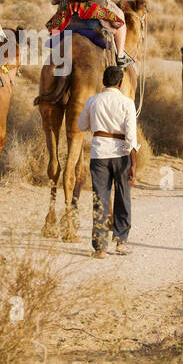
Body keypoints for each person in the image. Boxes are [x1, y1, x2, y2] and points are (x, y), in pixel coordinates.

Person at [76, 66, 138, 258]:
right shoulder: (127, 103)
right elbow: (131, 136)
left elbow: (81, 125)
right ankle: (121, 242)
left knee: (100, 199)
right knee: (123, 197)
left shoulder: (92, 101)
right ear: (119, 82)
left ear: (104, 81)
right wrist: (133, 164)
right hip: (121, 154)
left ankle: (100, 247)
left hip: (99, 153)